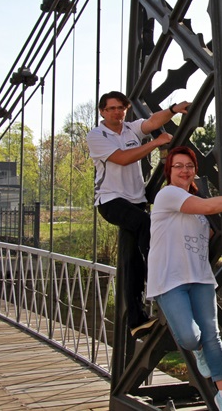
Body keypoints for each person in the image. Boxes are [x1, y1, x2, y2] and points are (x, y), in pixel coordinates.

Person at [147, 146, 222, 411]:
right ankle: (198, 349)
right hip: (170, 279)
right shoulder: (168, 194)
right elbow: (210, 206)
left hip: (200, 277)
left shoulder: (194, 202)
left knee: (212, 335)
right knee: (191, 338)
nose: (185, 170)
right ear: (169, 171)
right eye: (178, 166)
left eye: (189, 166)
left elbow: (207, 230)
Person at [86, 91, 190, 336]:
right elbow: (122, 159)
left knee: (131, 262)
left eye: (121, 108)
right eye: (111, 108)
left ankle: (136, 321)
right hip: (111, 200)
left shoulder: (130, 129)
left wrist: (173, 110)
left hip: (136, 200)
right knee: (145, 223)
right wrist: (155, 143)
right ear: (102, 112)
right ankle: (160, 274)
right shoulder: (96, 135)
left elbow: (152, 121)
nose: (117, 112)